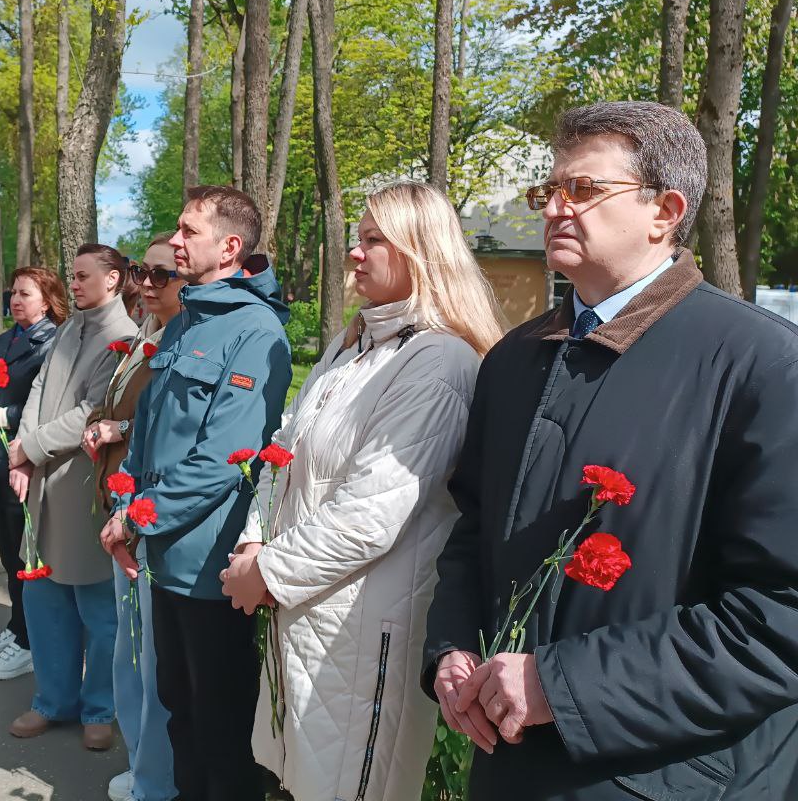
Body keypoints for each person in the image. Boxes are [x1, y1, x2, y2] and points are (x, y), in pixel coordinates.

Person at [424, 101, 798, 801]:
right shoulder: (513, 360)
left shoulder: (762, 366)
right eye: (550, 190)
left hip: (670, 777)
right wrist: (450, 650)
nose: (556, 208)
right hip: (510, 764)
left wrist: (559, 687)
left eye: (585, 189)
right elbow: (472, 528)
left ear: (666, 211)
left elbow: (781, 617)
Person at [218, 182, 503, 801]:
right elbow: (280, 452)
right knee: (296, 778)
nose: (354, 252)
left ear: (422, 251)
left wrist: (267, 571)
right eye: (359, 237)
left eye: (375, 239)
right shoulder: (352, 346)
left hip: (361, 628)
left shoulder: (439, 363)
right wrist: (253, 542)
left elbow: (370, 514)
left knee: (346, 786)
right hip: (302, 609)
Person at [101, 185, 292, 801]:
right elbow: (153, 435)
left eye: (188, 232)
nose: (175, 241)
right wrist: (129, 508)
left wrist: (137, 520)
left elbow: (219, 461)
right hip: (164, 557)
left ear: (230, 246)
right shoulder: (190, 321)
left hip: (209, 569)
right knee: (180, 713)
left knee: (220, 735)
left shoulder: (255, 333)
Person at [6, 244, 139, 750]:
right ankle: (52, 701)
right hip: (43, 483)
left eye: (84, 276)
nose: (74, 284)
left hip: (81, 488)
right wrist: (22, 450)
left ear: (112, 280)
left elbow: (91, 408)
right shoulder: (70, 327)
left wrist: (30, 448)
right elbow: (40, 387)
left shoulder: (122, 338)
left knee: (98, 610)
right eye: (73, 276)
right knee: (44, 600)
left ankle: (99, 708)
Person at [85, 233, 185, 801]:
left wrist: (119, 430)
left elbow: (164, 422)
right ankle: (140, 759)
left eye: (159, 276)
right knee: (130, 644)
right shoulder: (146, 333)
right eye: (139, 274)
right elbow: (122, 402)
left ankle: (157, 777)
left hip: (150, 507)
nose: (144, 285)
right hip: (122, 497)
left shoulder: (183, 338)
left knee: (149, 655)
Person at [0, 267, 68, 682]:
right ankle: (17, 625)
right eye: (14, 293)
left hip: (25, 463)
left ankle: (30, 641)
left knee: (27, 556)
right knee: (9, 553)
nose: (16, 300)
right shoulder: (5, 339)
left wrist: (3, 415)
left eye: (26, 293)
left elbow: (51, 405)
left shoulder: (53, 343)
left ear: (47, 299)